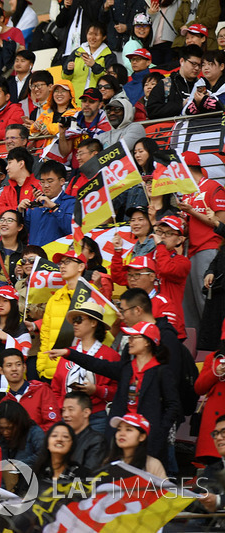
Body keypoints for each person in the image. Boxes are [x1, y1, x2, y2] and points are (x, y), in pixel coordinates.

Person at [51, 321, 180, 465]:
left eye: (134, 337)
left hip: (149, 436)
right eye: (129, 337)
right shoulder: (126, 368)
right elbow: (97, 364)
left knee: (144, 480)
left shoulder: (161, 371)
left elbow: (173, 405)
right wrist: (69, 353)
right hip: (121, 433)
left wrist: (160, 431)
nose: (129, 341)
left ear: (148, 342)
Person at [50, 302, 118, 431]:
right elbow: (56, 388)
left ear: (94, 323)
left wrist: (96, 390)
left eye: (79, 319)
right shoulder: (67, 353)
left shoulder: (110, 355)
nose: (75, 324)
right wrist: (64, 408)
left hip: (97, 418)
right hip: (67, 418)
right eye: (74, 320)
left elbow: (117, 391)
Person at [178, 152, 225, 332]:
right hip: (190, 251)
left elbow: (221, 223)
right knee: (190, 307)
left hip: (209, 248)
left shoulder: (213, 187)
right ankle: (198, 353)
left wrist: (192, 211)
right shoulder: (187, 194)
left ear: (187, 168)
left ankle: (215, 348)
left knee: (206, 300)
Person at [38, 249, 86, 380]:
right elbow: (46, 334)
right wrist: (42, 366)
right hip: (53, 371)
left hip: (81, 370)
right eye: (61, 263)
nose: (62, 266)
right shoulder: (55, 298)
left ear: (81, 266)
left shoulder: (91, 296)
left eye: (68, 262)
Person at [0, 348, 61, 432]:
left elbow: (53, 425)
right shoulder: (4, 403)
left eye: (18, 364)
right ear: (1, 370)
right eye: (9, 365)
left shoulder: (42, 390)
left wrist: (30, 437)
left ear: (24, 367)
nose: (14, 369)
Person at [147, 44, 203, 119]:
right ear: (182, 61)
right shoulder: (165, 84)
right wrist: (181, 105)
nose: (197, 68)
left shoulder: (202, 86)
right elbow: (152, 111)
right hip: (171, 128)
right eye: (193, 64)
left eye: (200, 65)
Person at [105, 413, 167, 478]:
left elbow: (165, 487)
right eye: (119, 430)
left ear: (142, 437)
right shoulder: (109, 461)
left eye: (128, 430)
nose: (121, 434)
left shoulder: (153, 464)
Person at [62, 22, 115, 99]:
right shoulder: (77, 52)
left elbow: (110, 81)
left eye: (96, 35)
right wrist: (68, 70)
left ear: (104, 37)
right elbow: (65, 78)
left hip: (96, 100)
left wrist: (94, 66)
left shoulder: (109, 55)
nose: (92, 38)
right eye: (90, 34)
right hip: (75, 99)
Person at [62, 390, 107, 472]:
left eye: (70, 409)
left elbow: (89, 473)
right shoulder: (61, 438)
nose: (65, 415)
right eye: (64, 410)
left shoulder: (97, 441)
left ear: (86, 413)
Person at [0, 147, 40, 219]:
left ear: (21, 164)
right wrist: (17, 209)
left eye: (9, 163)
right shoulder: (7, 190)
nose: (7, 168)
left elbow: (37, 212)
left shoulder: (38, 186)